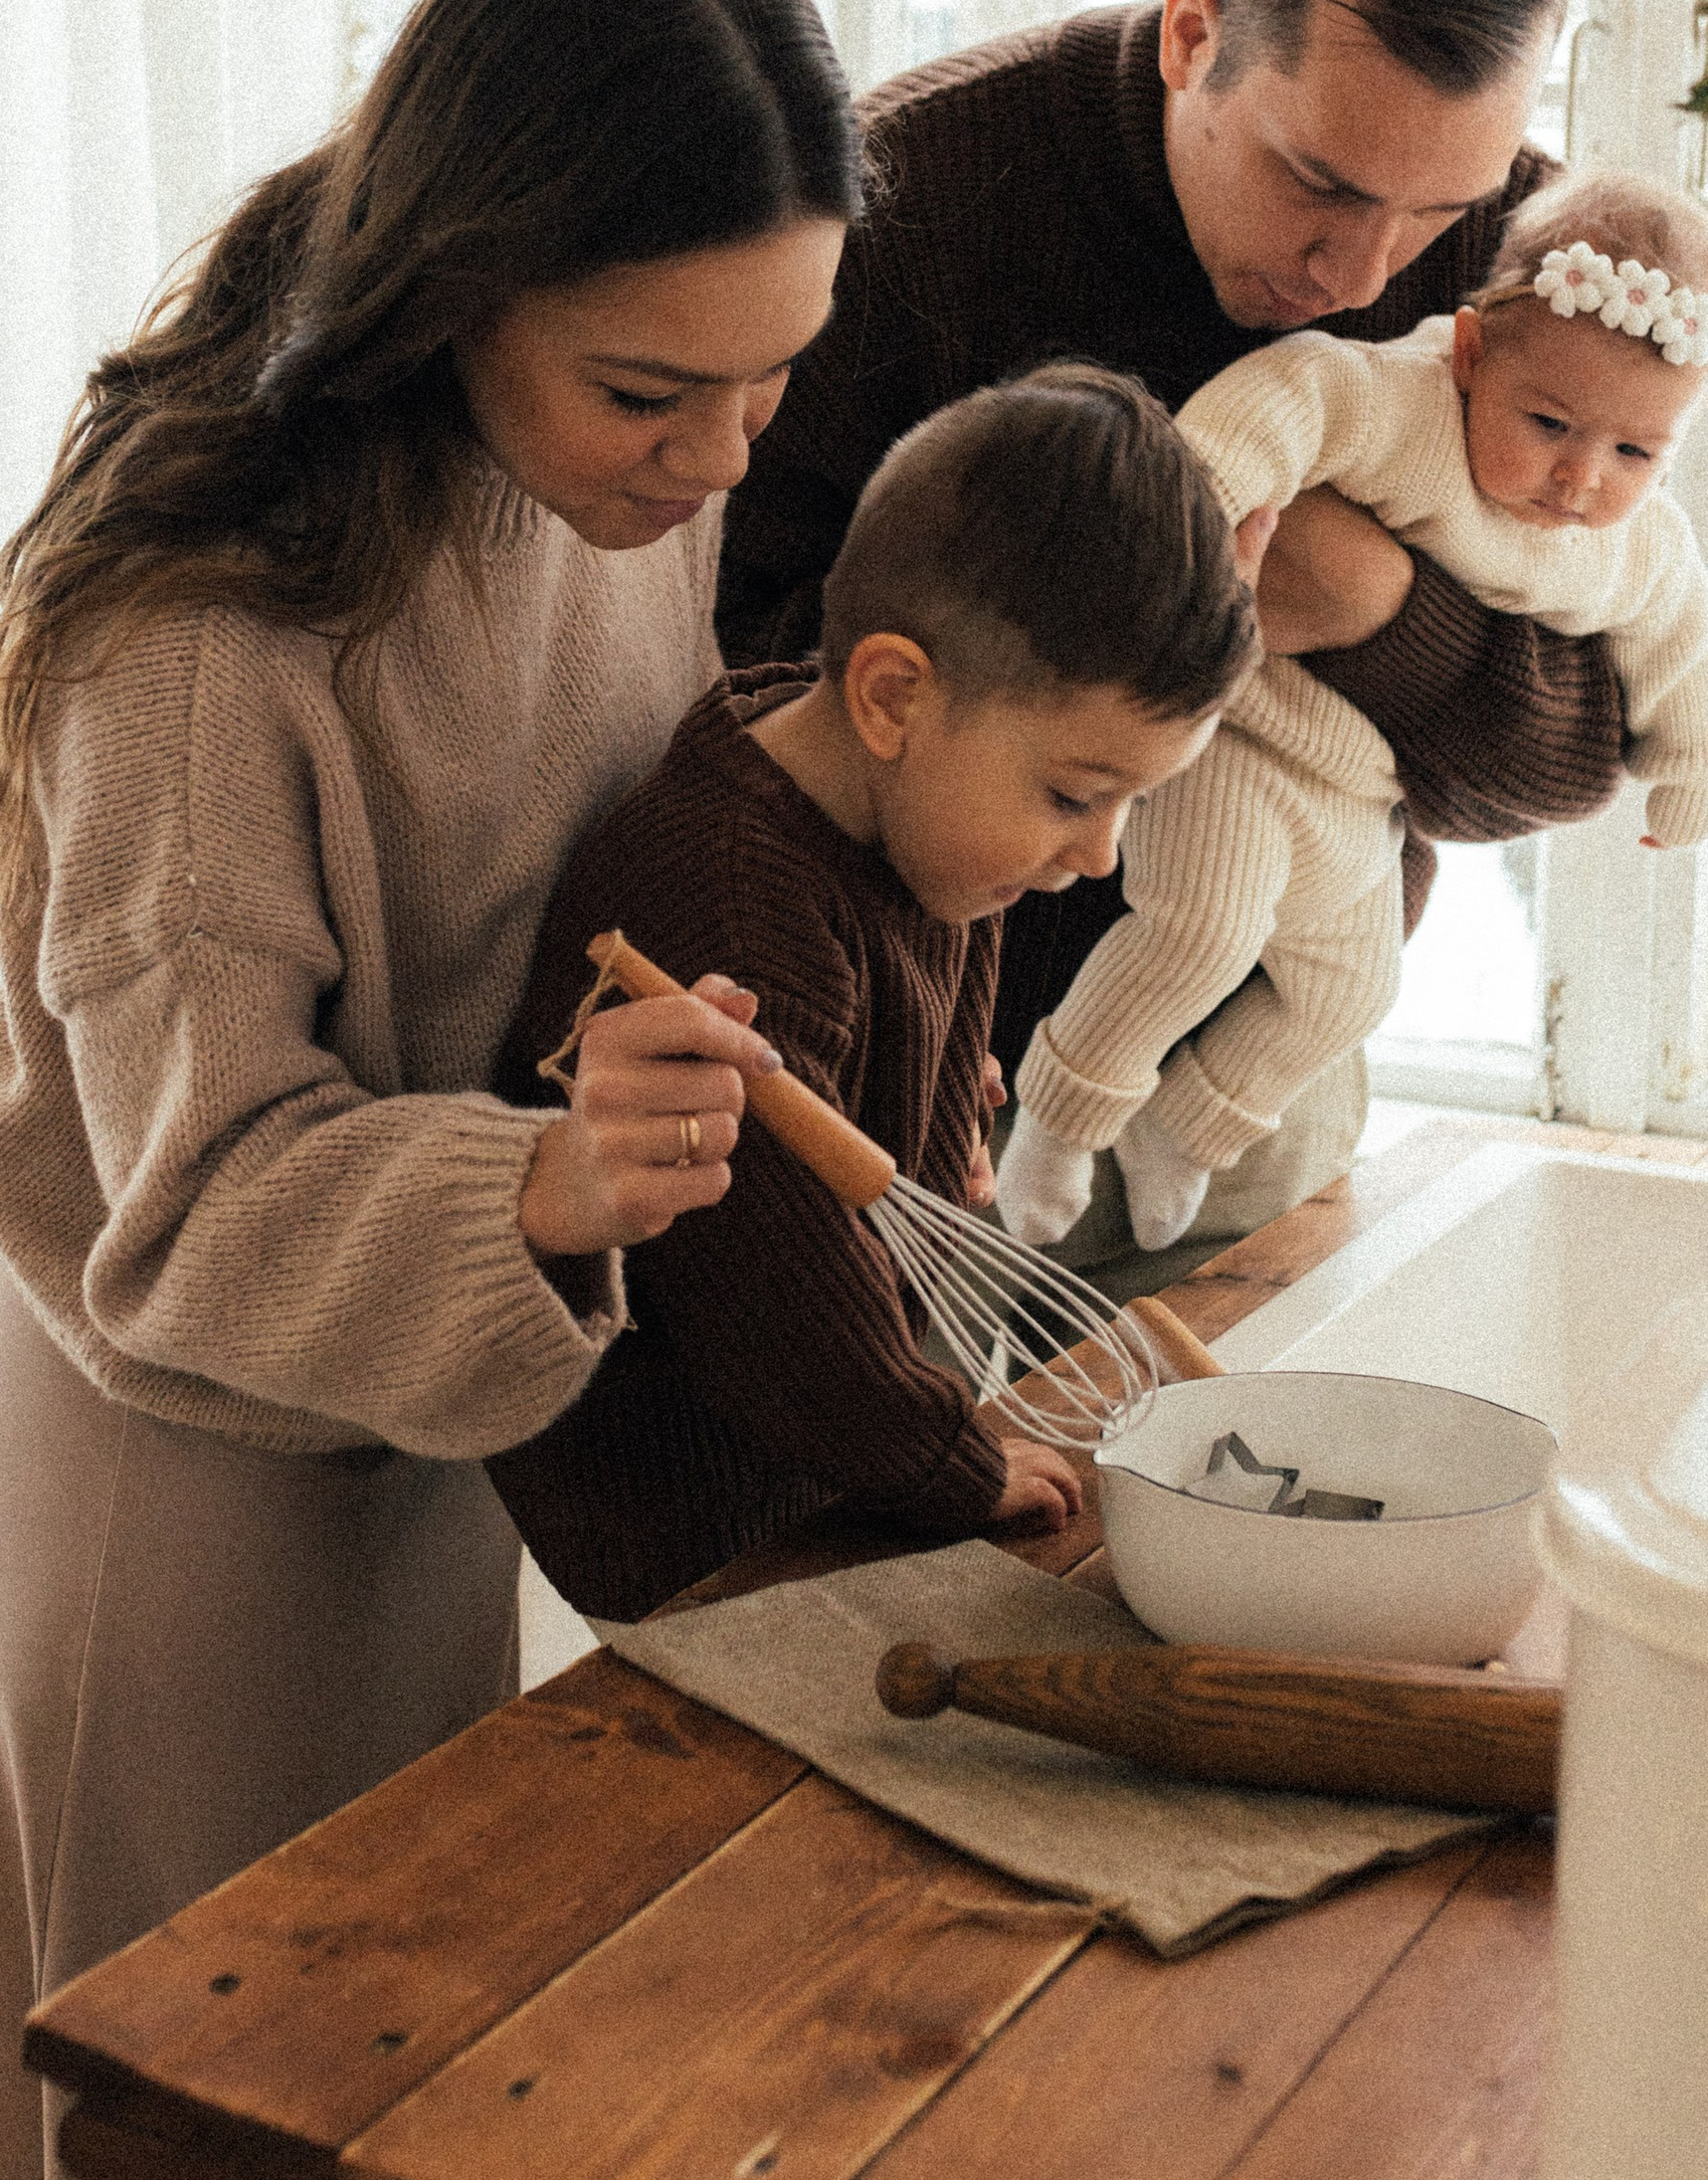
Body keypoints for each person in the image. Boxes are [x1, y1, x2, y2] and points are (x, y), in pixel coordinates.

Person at [0, 0, 863, 2180]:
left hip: (435, 1398)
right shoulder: (200, 644)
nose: (722, 455)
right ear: (458, 292)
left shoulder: (607, 481)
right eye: (659, 389)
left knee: (360, 2114)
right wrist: (536, 1181)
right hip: (177, 1456)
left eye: (772, 380)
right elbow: (185, 1210)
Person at [717, 0, 1630, 1276]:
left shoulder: (1527, 269)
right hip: (880, 1086)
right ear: (1197, 28)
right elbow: (718, 700)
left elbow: (1580, 748)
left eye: (1435, 205)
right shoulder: (903, 210)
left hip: (1244, 1095)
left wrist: (1379, 613)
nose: (1366, 268)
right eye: (1319, 182)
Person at [488, 366, 1252, 1621]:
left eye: (1131, 802)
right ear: (893, 695)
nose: (1100, 853)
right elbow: (776, 1301)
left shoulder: (926, 835)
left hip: (828, 1455)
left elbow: (941, 1002)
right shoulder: (729, 911)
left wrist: (942, 1112)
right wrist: (947, 1463)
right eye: (1073, 793)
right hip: (708, 1509)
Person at [998, 173, 1708, 1254]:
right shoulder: (1403, 405)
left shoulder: (1633, 542)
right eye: (1547, 423)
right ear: (1473, 355)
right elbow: (1293, 395)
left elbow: (1682, 644)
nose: (1581, 476)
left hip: (1364, 799)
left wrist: (1693, 767)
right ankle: (1060, 1121)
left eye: (1635, 452)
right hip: (1243, 737)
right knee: (1201, 929)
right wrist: (1204, 504)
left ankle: (1185, 1131)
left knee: (1350, 988)